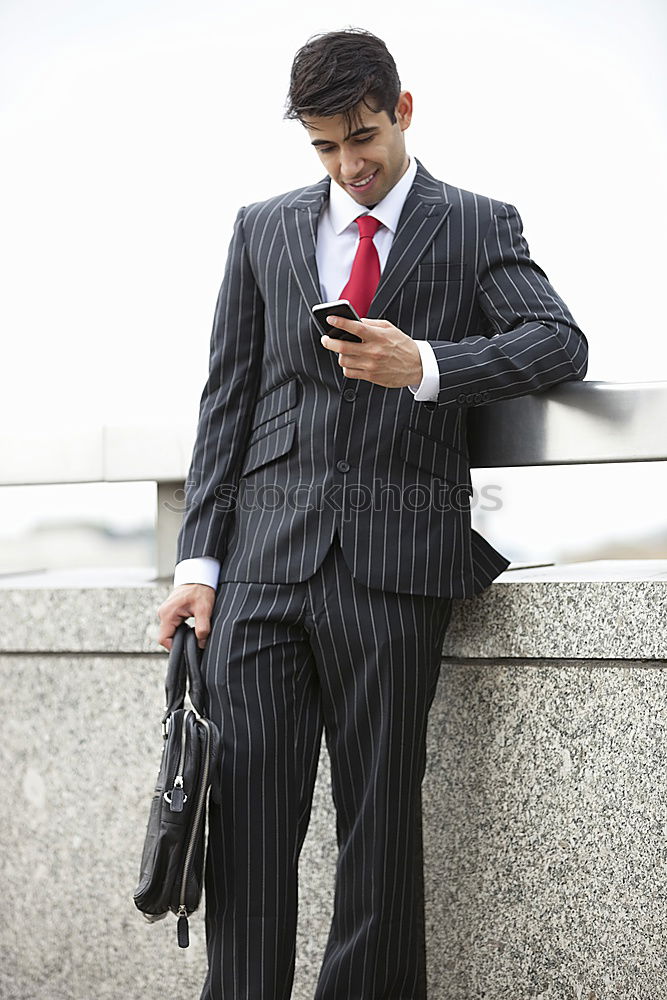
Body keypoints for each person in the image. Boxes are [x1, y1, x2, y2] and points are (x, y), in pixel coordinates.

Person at [156, 27, 588, 1000]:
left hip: (395, 568)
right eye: (323, 147)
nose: (348, 166)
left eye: (360, 137)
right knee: (249, 834)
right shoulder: (262, 227)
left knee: (378, 834)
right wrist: (198, 568)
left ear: (402, 109)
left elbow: (558, 340)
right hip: (263, 563)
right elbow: (227, 399)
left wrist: (428, 365)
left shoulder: (476, 224)